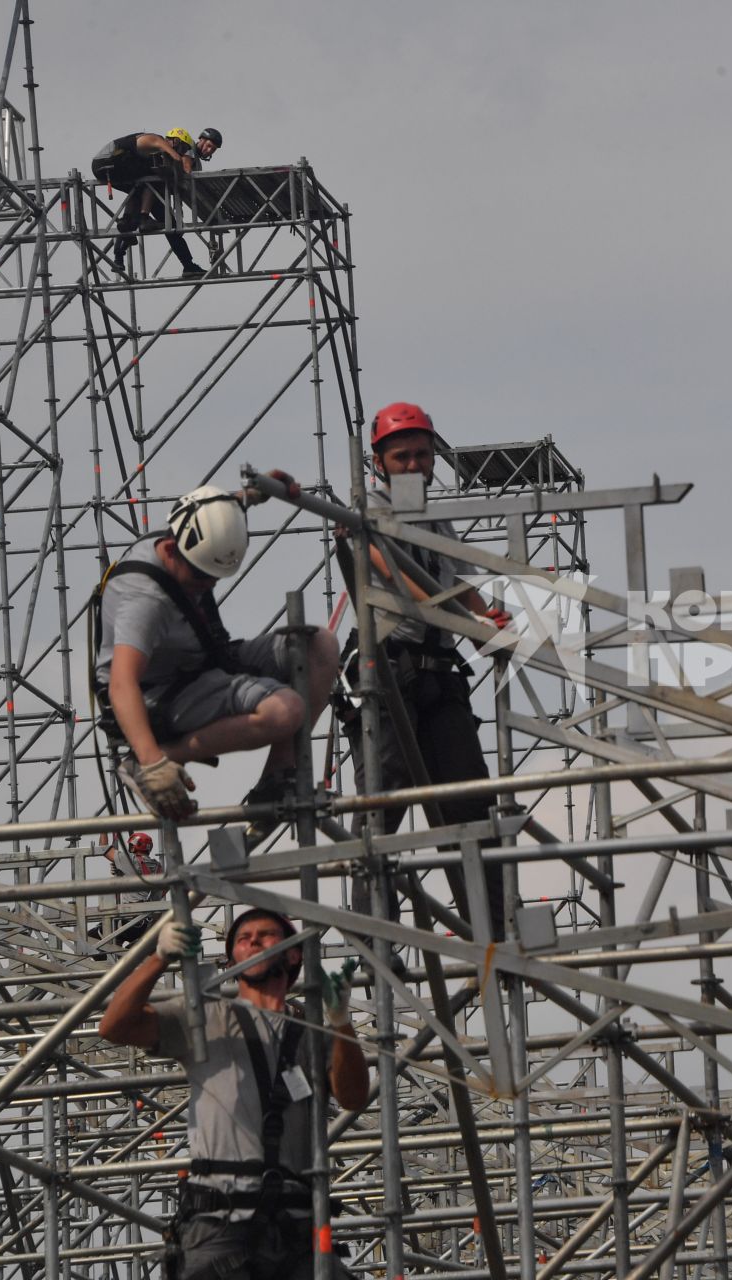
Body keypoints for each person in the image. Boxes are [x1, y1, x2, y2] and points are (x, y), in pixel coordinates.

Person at [98, 908, 368, 1280]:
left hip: (295, 1225)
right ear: (232, 961)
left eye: (265, 935)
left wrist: (342, 1025)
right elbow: (115, 1025)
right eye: (244, 939)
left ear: (293, 955)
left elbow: (353, 1096)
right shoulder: (207, 1017)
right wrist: (158, 958)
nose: (253, 941)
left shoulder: (313, 1030)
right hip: (220, 1220)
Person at [340, 401, 515, 932]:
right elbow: (395, 572)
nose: (414, 465)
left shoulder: (435, 514)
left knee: (469, 800)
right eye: (402, 456)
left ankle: (493, 924)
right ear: (379, 461)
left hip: (439, 671)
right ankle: (377, 931)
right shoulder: (365, 509)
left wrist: (490, 617)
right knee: (384, 799)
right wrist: (466, 617)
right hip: (388, 669)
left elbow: (459, 581)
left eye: (422, 454)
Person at [93, 478, 339, 843]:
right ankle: (157, 759)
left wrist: (254, 495)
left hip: (204, 662)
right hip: (160, 695)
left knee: (320, 644)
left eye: (214, 577)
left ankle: (277, 777)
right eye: (200, 576)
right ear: (175, 551)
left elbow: (216, 514)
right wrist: (152, 761)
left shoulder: (189, 532)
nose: (206, 585)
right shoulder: (144, 601)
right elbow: (121, 683)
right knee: (284, 712)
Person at [90, 127, 222, 278]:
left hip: (145, 186)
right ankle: (142, 221)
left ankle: (187, 265)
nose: (210, 150)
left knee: (162, 221)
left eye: (214, 149)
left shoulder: (186, 154)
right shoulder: (174, 143)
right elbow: (184, 169)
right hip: (112, 164)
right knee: (149, 181)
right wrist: (181, 158)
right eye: (209, 145)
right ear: (200, 140)